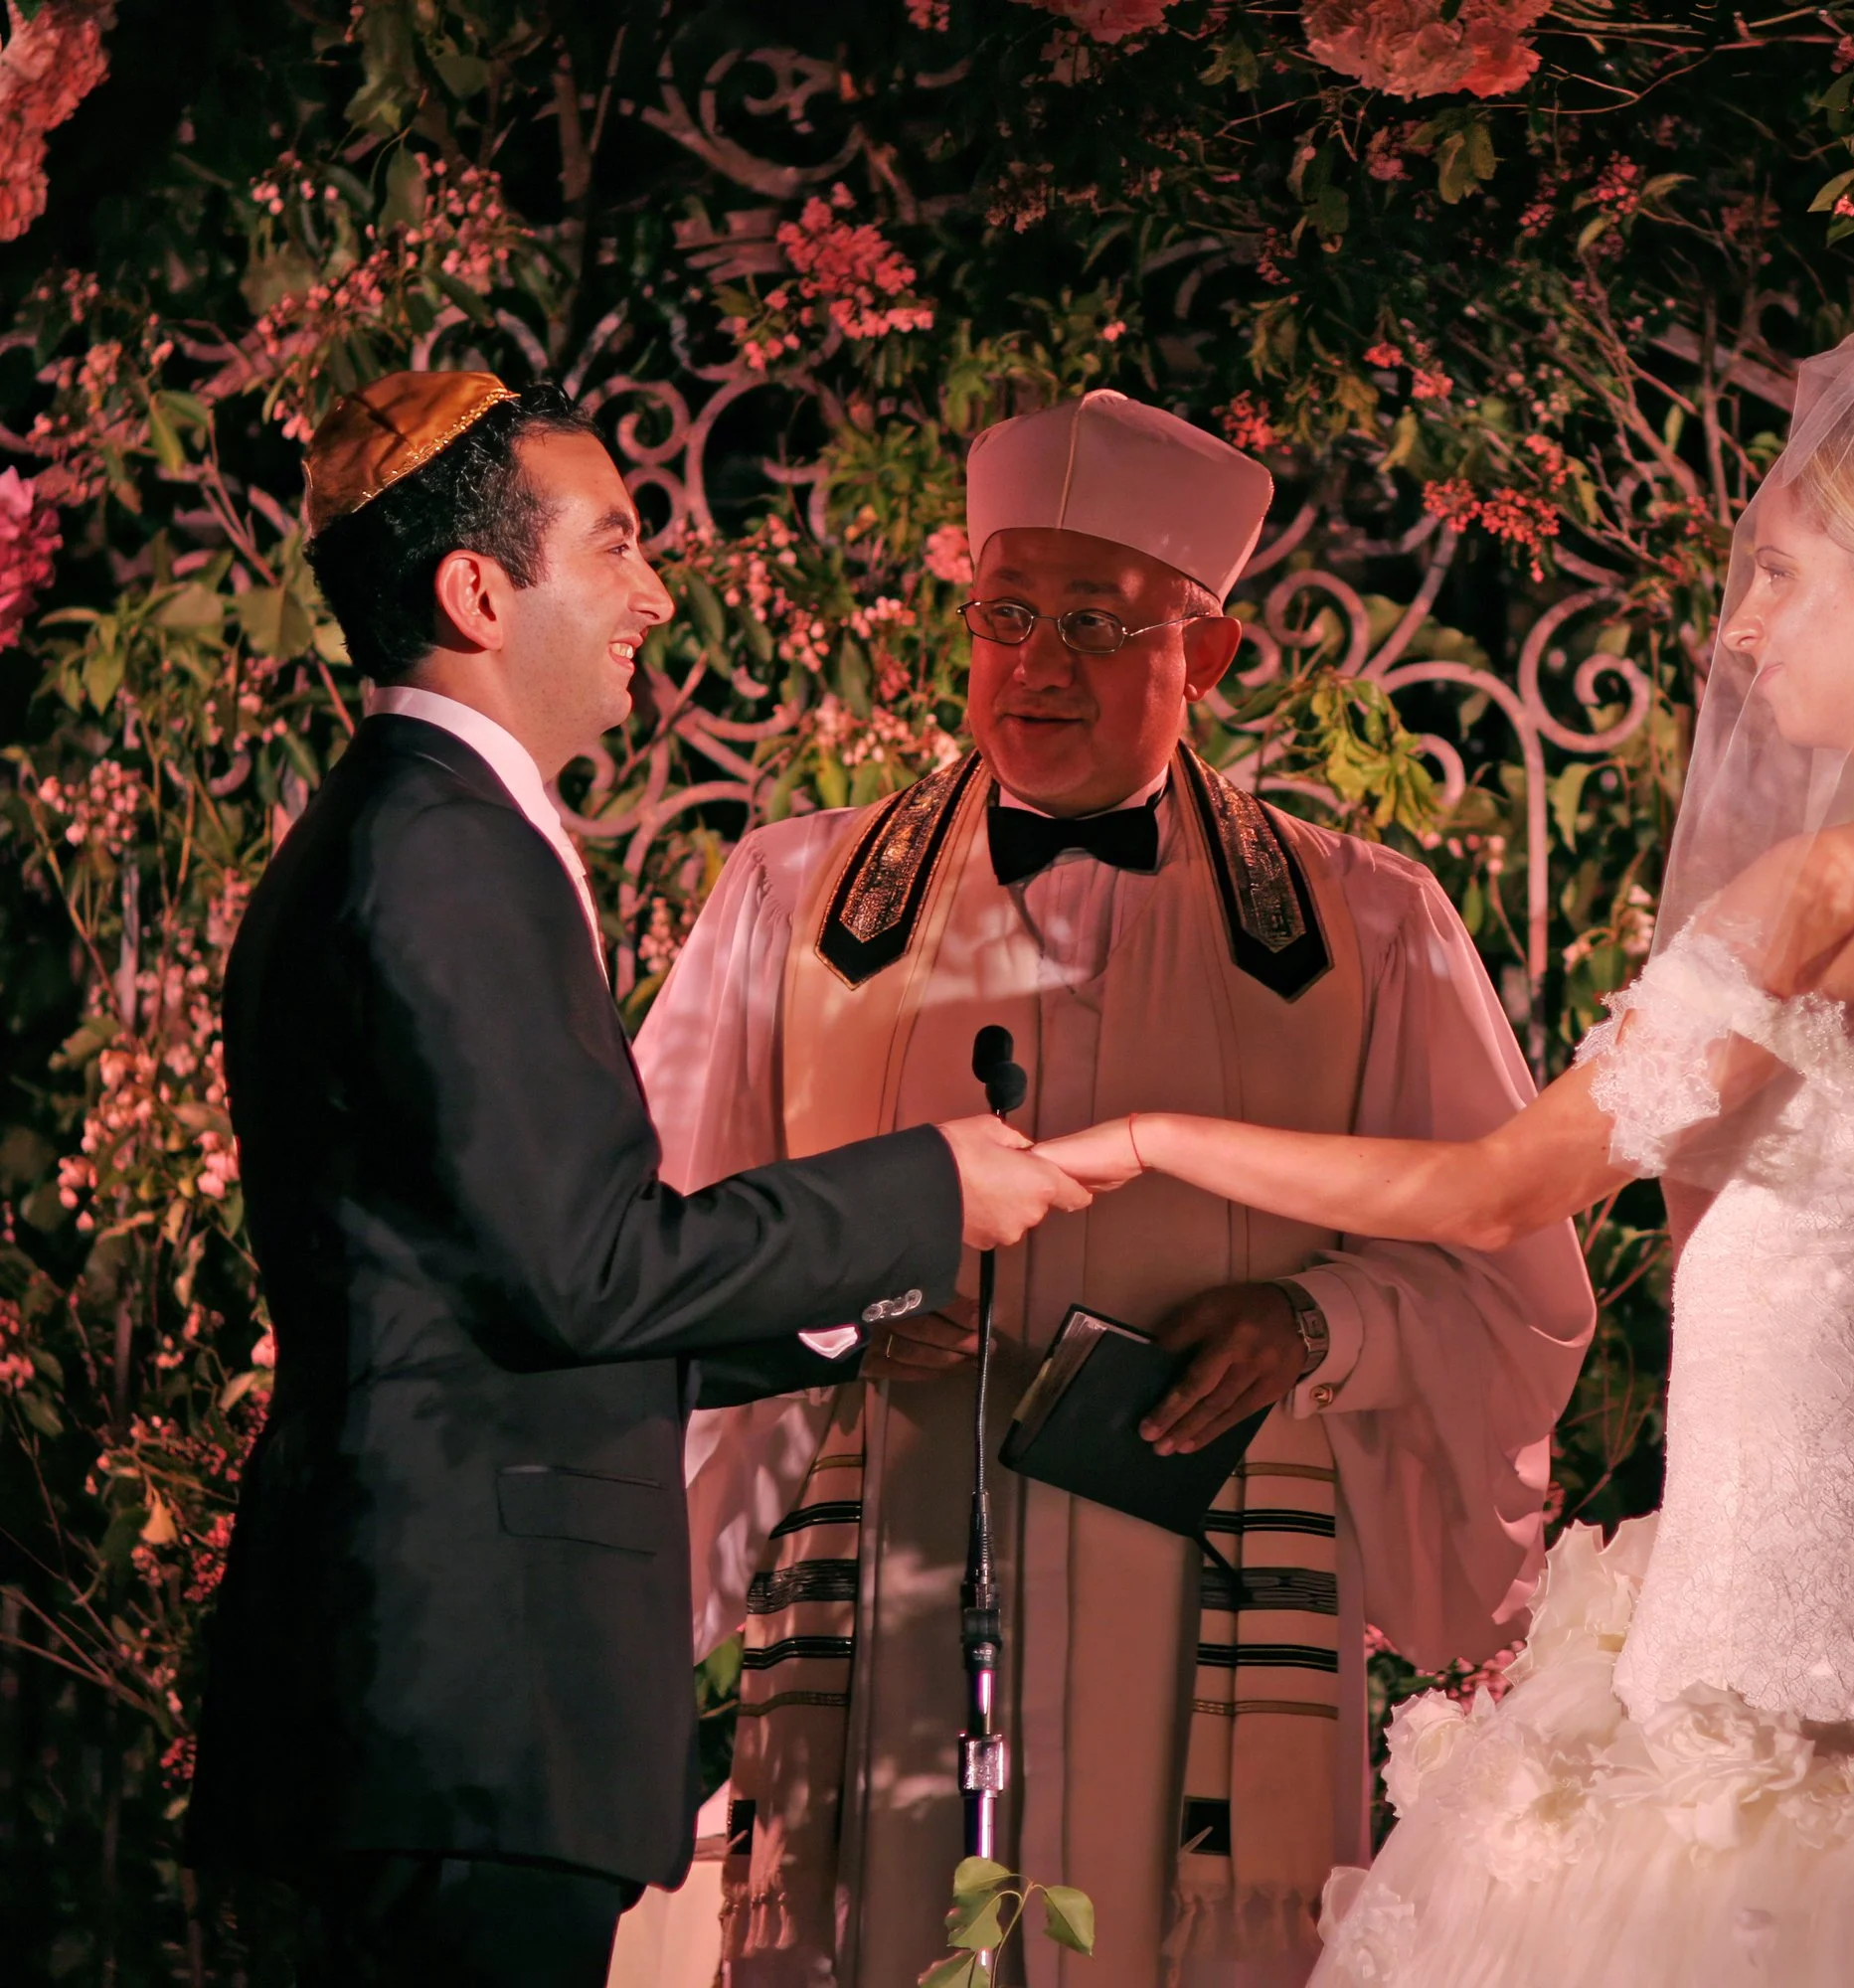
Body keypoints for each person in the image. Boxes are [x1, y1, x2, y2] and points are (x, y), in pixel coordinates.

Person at [1038, 306, 1854, 1986]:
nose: (1739, 627)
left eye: (1782, 574)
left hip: (1802, 1567)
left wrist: (1151, 1132)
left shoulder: (1832, 882)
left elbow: (1492, 1188)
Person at [621, 390, 1596, 1988]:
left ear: (1205, 658)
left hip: (1202, 1579)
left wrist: (1314, 1321)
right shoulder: (790, 901)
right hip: (887, 1579)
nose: (1040, 665)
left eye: (1095, 622)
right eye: (1006, 615)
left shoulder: (1368, 929)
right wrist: (830, 1300)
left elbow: (1509, 1272)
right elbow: (658, 1247)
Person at [187, 372, 1088, 1988]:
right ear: (478, 591)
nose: (654, 594)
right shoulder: (444, 847)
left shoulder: (415, 826)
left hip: (440, 1704)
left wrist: (829, 1330)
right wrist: (928, 1189)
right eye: (611, 547)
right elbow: (583, 1266)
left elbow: (496, 1273)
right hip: (471, 1696)